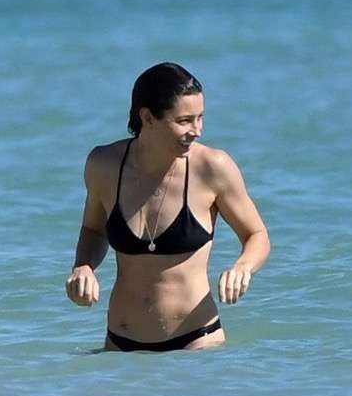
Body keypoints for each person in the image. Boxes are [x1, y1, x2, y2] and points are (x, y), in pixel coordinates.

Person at [65, 62, 270, 351]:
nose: (197, 130)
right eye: (185, 121)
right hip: (120, 348)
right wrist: (83, 267)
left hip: (196, 343)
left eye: (200, 118)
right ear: (147, 117)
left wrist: (242, 268)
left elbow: (256, 235)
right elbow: (93, 230)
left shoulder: (213, 168)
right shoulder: (104, 166)